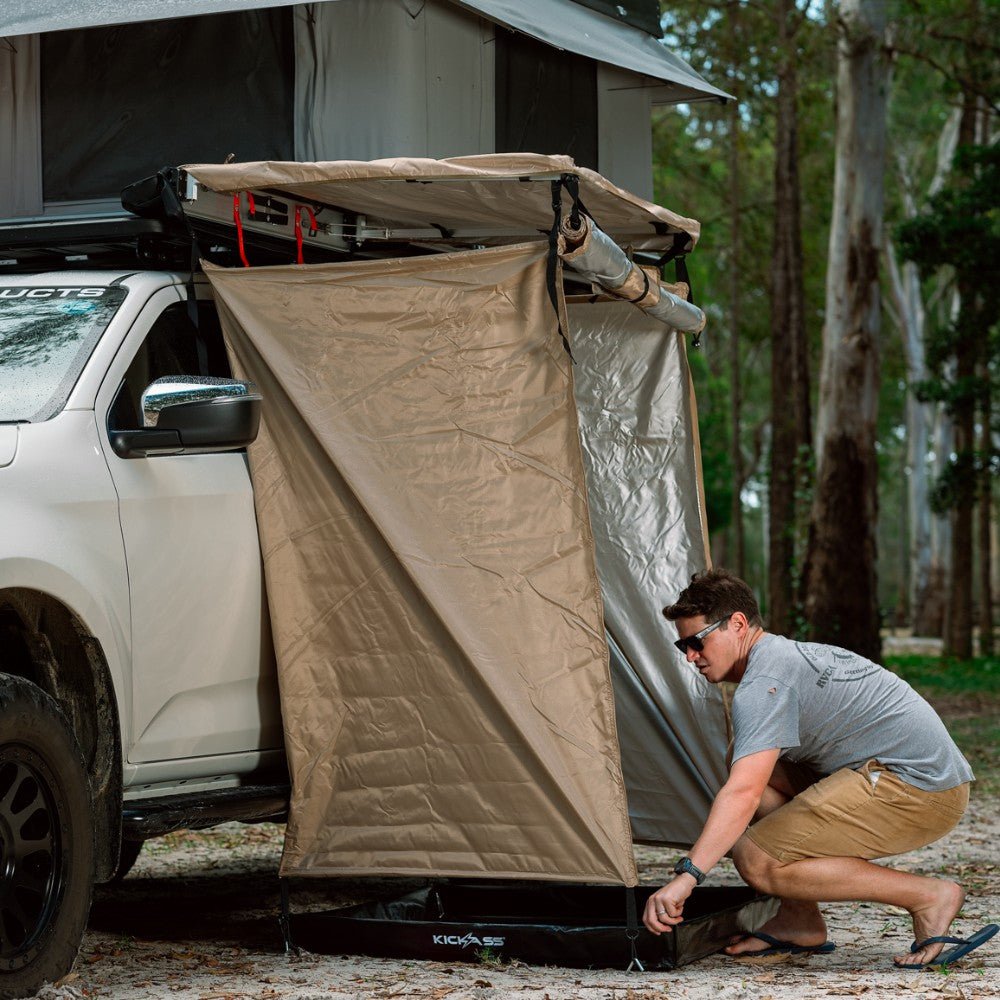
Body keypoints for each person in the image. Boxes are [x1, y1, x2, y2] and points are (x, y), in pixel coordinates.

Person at [643, 569, 997, 969]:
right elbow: (751, 786)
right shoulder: (777, 657)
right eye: (682, 645)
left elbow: (740, 794)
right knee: (748, 762)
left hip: (921, 789)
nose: (690, 656)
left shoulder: (765, 684)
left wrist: (687, 876)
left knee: (756, 859)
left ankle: (929, 896)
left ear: (737, 624)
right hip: (903, 776)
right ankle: (799, 920)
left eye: (695, 641)